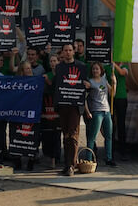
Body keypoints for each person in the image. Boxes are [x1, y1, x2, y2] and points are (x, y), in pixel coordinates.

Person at [55, 42, 89, 176]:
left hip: (75, 105)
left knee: (73, 134)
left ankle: (71, 165)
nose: (68, 52)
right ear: (62, 52)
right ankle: (66, 163)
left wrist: (87, 85)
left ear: (74, 52)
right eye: (65, 50)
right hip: (63, 104)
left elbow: (86, 84)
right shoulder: (59, 67)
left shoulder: (81, 66)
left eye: (70, 50)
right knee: (66, 135)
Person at [85, 61, 117, 166]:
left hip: (106, 111)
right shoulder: (90, 82)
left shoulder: (104, 80)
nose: (95, 70)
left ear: (101, 70)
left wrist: (115, 83)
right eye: (93, 69)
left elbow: (112, 93)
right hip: (96, 112)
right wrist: (88, 111)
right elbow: (84, 98)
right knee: (92, 137)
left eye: (97, 69)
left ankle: (109, 158)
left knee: (109, 136)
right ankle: (88, 159)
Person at [42, 54, 62, 169]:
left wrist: (48, 81)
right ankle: (51, 157)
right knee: (49, 133)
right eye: (51, 61)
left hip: (58, 107)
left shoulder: (61, 74)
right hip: (48, 106)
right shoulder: (46, 74)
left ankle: (57, 156)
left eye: (55, 61)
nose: (53, 63)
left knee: (57, 134)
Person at [110, 62, 129, 160]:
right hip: (111, 98)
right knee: (111, 125)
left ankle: (123, 151)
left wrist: (114, 64)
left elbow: (122, 73)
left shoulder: (124, 66)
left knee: (121, 124)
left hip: (121, 97)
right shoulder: (108, 67)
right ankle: (111, 151)